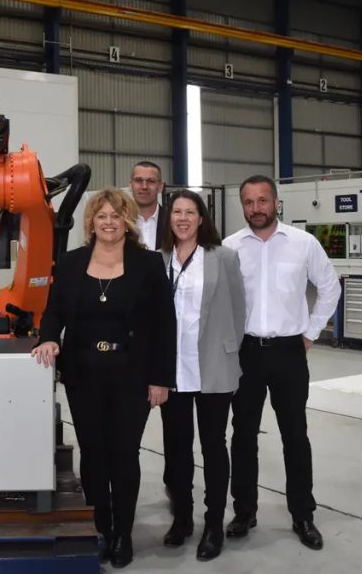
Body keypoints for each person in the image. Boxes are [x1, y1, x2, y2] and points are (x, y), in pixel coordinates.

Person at [32, 187, 175, 569]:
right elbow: (53, 311)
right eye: (101, 216)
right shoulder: (71, 262)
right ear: (91, 222)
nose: (109, 222)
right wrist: (48, 338)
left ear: (128, 221)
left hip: (133, 374)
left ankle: (123, 533)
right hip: (83, 374)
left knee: (125, 455)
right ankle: (101, 530)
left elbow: (165, 325)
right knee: (93, 454)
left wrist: (161, 379)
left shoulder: (148, 264)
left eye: (116, 215)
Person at [223, 175, 340, 551]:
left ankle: (303, 514)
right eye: (248, 202)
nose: (256, 208)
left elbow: (330, 286)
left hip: (289, 351)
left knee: (295, 434)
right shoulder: (229, 247)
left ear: (276, 202)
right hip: (245, 353)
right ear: (242, 206)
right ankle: (244, 511)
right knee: (243, 435)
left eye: (262, 200)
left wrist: (311, 332)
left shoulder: (303, 244)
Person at [158, 189, 245, 561]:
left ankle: (213, 524)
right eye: (176, 212)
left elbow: (239, 310)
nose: (182, 218)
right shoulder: (158, 260)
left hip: (213, 366)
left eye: (189, 212)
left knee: (213, 447)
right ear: (169, 219)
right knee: (177, 448)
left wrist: (228, 349)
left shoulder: (223, 257)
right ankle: (182, 519)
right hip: (172, 370)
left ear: (201, 218)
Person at [130, 161, 166, 249]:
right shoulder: (120, 221)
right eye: (138, 180)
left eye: (151, 181)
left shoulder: (171, 221)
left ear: (160, 186)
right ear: (131, 185)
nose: (144, 186)